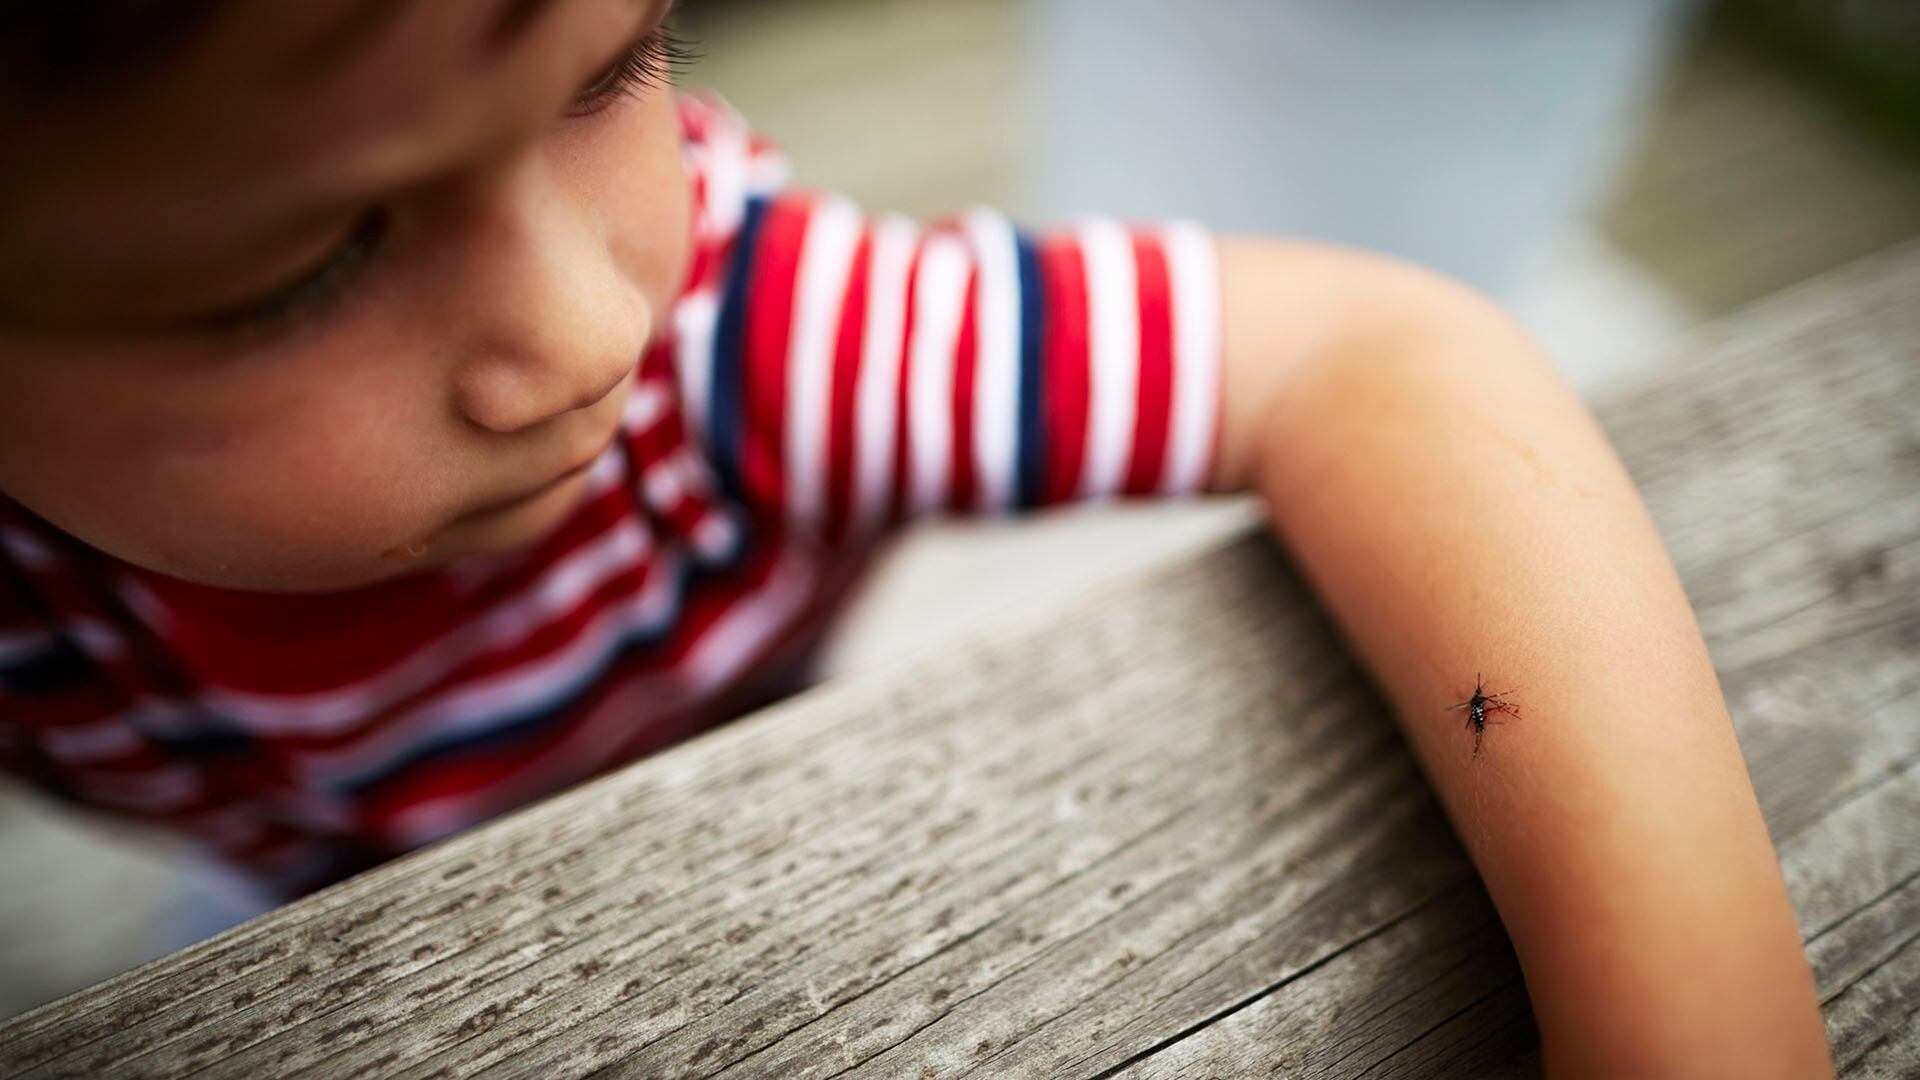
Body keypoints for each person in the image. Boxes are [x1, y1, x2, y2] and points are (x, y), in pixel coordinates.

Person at [0, 3, 1830, 1075]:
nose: (577, 337)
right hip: (308, 901)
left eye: (614, 68)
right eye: (308, 269)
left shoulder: (741, 342)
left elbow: (1386, 355)